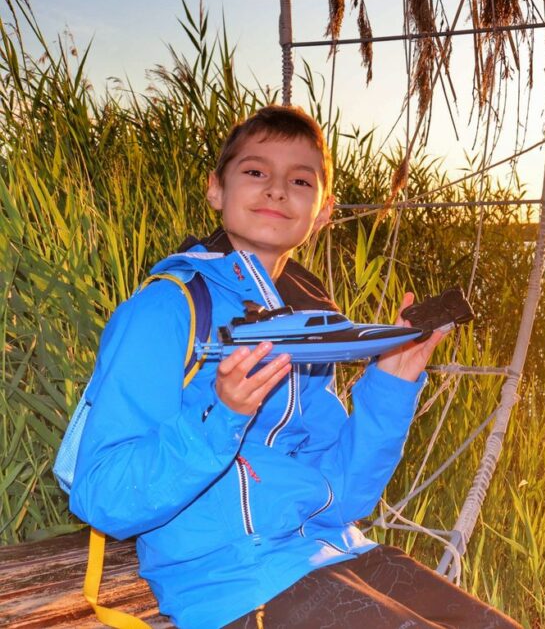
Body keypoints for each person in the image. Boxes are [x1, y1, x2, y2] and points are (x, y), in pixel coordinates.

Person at [69, 106, 519, 629]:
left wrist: (392, 382)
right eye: (256, 172)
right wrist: (224, 412)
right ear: (217, 189)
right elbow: (102, 495)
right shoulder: (166, 310)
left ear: (323, 210)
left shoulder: (312, 324)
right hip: (234, 583)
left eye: (300, 180)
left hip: (341, 554)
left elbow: (344, 495)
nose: (277, 190)